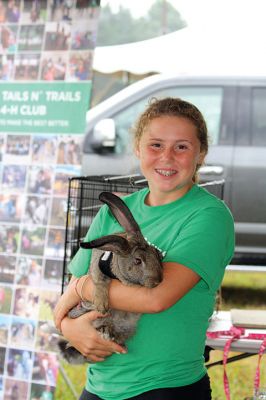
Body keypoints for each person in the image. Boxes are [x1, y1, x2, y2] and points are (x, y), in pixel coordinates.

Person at [54, 97, 235, 400]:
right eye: (155, 145)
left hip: (165, 386)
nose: (167, 157)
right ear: (137, 148)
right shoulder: (116, 210)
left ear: (200, 153)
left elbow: (157, 297)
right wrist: (68, 327)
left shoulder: (208, 217)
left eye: (181, 147)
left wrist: (87, 288)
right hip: (101, 385)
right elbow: (69, 292)